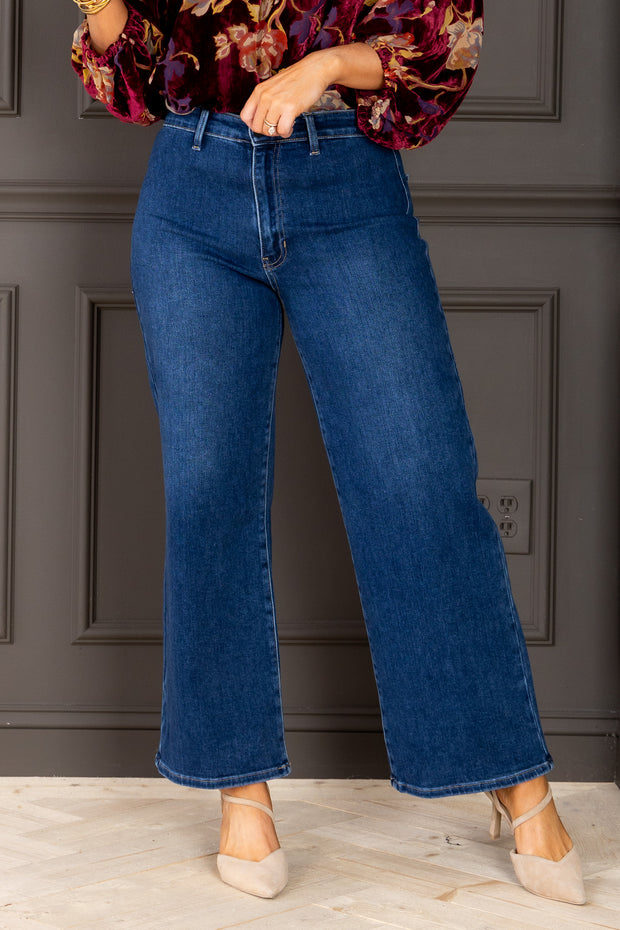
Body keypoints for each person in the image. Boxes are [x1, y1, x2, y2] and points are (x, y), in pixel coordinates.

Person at [70, 0, 586, 906]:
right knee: (208, 489)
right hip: (192, 187)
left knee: (418, 480)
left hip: (344, 181)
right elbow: (142, 81)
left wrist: (326, 66)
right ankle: (240, 786)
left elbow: (445, 40)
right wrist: (100, 7)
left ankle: (512, 776)